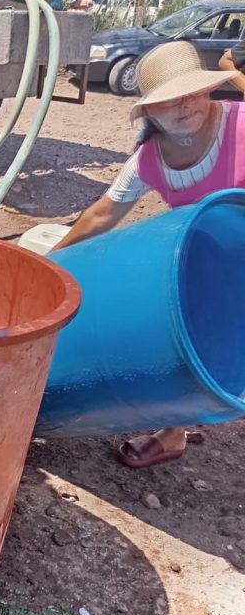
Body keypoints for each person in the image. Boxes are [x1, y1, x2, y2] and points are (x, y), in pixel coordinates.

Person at [55, 41, 241, 468]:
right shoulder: (150, 160)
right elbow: (103, 214)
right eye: (169, 99)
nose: (185, 105)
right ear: (151, 112)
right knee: (178, 347)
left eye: (192, 91)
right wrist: (50, 263)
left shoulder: (241, 127)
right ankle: (174, 431)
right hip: (202, 264)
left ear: (208, 90)